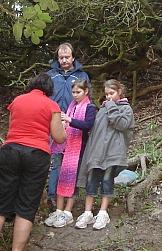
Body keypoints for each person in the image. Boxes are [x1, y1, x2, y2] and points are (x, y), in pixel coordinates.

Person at [0, 73, 66, 251]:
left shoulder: (17, 101)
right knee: (27, 202)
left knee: (0, 200)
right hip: (36, 154)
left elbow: (11, 128)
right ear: (50, 90)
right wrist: (64, 127)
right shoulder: (52, 106)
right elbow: (59, 137)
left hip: (11, 150)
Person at [74, 79, 135, 230]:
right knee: (92, 179)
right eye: (107, 94)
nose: (108, 97)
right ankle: (87, 212)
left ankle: (103, 212)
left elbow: (121, 125)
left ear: (119, 92)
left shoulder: (126, 109)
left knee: (108, 179)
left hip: (113, 152)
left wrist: (112, 107)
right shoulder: (102, 109)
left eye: (112, 93)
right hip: (97, 151)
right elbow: (95, 131)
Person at [44, 78, 96, 227]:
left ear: (86, 92)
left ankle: (68, 211)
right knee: (61, 176)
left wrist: (69, 120)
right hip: (65, 146)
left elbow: (88, 125)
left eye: (78, 92)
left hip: (79, 148)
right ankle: (59, 210)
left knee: (73, 178)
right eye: (73, 92)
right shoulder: (71, 106)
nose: (75, 95)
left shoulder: (90, 107)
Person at [46, 42, 91, 205]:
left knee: (72, 160)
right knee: (56, 160)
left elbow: (86, 99)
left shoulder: (81, 76)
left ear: (73, 57)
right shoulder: (51, 75)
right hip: (54, 121)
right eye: (61, 58)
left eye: (67, 57)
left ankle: (70, 195)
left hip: (74, 122)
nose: (64, 60)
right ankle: (52, 196)